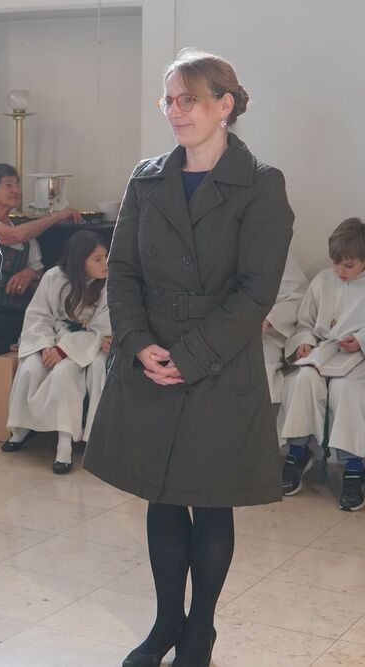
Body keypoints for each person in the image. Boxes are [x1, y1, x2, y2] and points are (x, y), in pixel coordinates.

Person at [83, 48, 294, 667]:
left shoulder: (261, 184)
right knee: (163, 497)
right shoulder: (147, 178)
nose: (175, 111)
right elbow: (122, 271)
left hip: (219, 362)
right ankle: (166, 623)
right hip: (152, 354)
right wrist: (137, 341)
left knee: (211, 499)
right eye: (169, 100)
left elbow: (255, 293)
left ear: (224, 105)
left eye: (189, 100)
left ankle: (200, 631)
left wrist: (192, 355)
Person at [0, 163, 82, 438]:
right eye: (8, 185)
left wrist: (30, 273)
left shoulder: (27, 234)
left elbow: (39, 273)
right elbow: (14, 236)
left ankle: (10, 411)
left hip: (15, 309)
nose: (16, 190)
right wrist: (58, 215)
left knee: (11, 328)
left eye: (17, 184)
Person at [0, 231, 111, 473]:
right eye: (97, 259)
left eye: (106, 257)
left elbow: (102, 328)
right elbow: (38, 316)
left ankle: (64, 445)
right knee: (30, 368)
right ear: (80, 261)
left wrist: (64, 349)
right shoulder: (53, 277)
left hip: (83, 349)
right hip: (51, 342)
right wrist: (45, 346)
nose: (105, 264)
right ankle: (21, 429)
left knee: (64, 374)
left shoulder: (107, 286)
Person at [277, 217, 365, 510]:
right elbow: (305, 324)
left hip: (358, 361)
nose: (340, 271)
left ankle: (354, 466)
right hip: (323, 353)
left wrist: (360, 340)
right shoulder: (322, 281)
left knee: (346, 390)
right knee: (302, 381)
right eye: (336, 264)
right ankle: (297, 452)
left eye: (349, 266)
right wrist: (305, 343)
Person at [262, 253, 308, 404]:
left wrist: (270, 318)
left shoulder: (275, 253)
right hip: (219, 336)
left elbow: (298, 298)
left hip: (264, 337)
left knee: (259, 375)